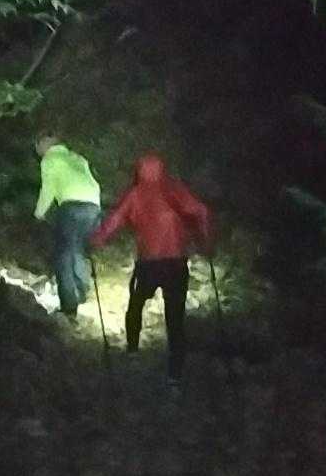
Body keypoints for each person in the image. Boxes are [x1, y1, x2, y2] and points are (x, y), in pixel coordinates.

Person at [89, 154, 212, 382]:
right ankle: (175, 372)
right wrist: (205, 242)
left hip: (149, 263)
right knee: (175, 316)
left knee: (136, 304)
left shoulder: (135, 193)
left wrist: (97, 239)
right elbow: (201, 211)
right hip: (176, 262)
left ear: (139, 171)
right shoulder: (174, 189)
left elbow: (116, 220)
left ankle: (132, 349)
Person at [33, 133, 102, 317]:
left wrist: (39, 212)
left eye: (37, 145)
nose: (37, 150)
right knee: (77, 249)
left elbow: (48, 188)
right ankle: (82, 290)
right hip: (93, 206)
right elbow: (94, 183)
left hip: (72, 205)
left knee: (63, 254)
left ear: (45, 143)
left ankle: (69, 305)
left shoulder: (50, 159)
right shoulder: (78, 158)